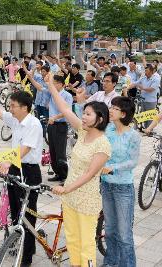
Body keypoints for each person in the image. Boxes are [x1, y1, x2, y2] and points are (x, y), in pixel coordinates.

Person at [0, 86, 43, 266]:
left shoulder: (33, 124)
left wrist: (8, 162)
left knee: (27, 214)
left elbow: (25, 148)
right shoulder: (15, 120)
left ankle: (27, 255)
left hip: (28, 171)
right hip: (15, 168)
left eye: (13, 105)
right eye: (10, 105)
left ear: (24, 108)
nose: (10, 108)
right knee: (16, 210)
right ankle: (17, 241)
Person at [46, 74, 111, 267]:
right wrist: (50, 86)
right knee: (73, 241)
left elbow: (90, 174)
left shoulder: (103, 145)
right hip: (70, 198)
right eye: (84, 113)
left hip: (86, 201)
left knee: (86, 245)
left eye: (88, 114)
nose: (83, 116)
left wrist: (66, 188)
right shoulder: (82, 132)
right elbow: (65, 109)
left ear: (100, 119)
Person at [100, 96, 140, 267]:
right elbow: (87, 125)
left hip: (123, 188)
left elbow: (132, 162)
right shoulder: (107, 129)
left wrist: (112, 167)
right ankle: (110, 262)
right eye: (111, 107)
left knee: (124, 234)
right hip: (106, 185)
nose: (111, 110)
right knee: (109, 230)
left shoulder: (133, 136)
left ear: (123, 114)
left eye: (115, 108)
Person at [46, 75, 73, 183]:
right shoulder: (53, 94)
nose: (52, 85)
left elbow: (67, 111)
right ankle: (57, 173)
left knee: (60, 152)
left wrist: (55, 117)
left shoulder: (67, 96)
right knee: (52, 151)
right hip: (51, 125)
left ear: (61, 84)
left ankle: (64, 176)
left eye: (54, 83)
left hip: (60, 125)